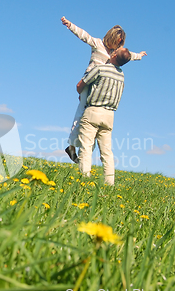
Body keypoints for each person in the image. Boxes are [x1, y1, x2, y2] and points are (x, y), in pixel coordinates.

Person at [61, 16, 146, 162]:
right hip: (88, 82)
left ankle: (83, 154)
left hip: (99, 88)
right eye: (115, 43)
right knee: (81, 114)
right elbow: (84, 35)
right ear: (111, 37)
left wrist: (139, 56)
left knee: (92, 122)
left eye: (119, 44)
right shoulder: (98, 44)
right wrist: (70, 25)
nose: (116, 47)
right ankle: (72, 146)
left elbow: (128, 56)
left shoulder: (117, 52)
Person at [77, 47, 131, 185]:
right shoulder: (122, 75)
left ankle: (84, 179)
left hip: (93, 111)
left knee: (86, 147)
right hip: (109, 116)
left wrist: (82, 95)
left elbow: (80, 85)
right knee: (107, 152)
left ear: (113, 55)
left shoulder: (101, 69)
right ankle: (109, 183)